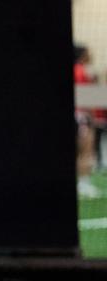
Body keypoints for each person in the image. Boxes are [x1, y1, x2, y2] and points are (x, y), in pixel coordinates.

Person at [74, 45, 103, 199]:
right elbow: (85, 96)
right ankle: (83, 184)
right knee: (86, 150)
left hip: (80, 115)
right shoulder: (80, 71)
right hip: (82, 116)